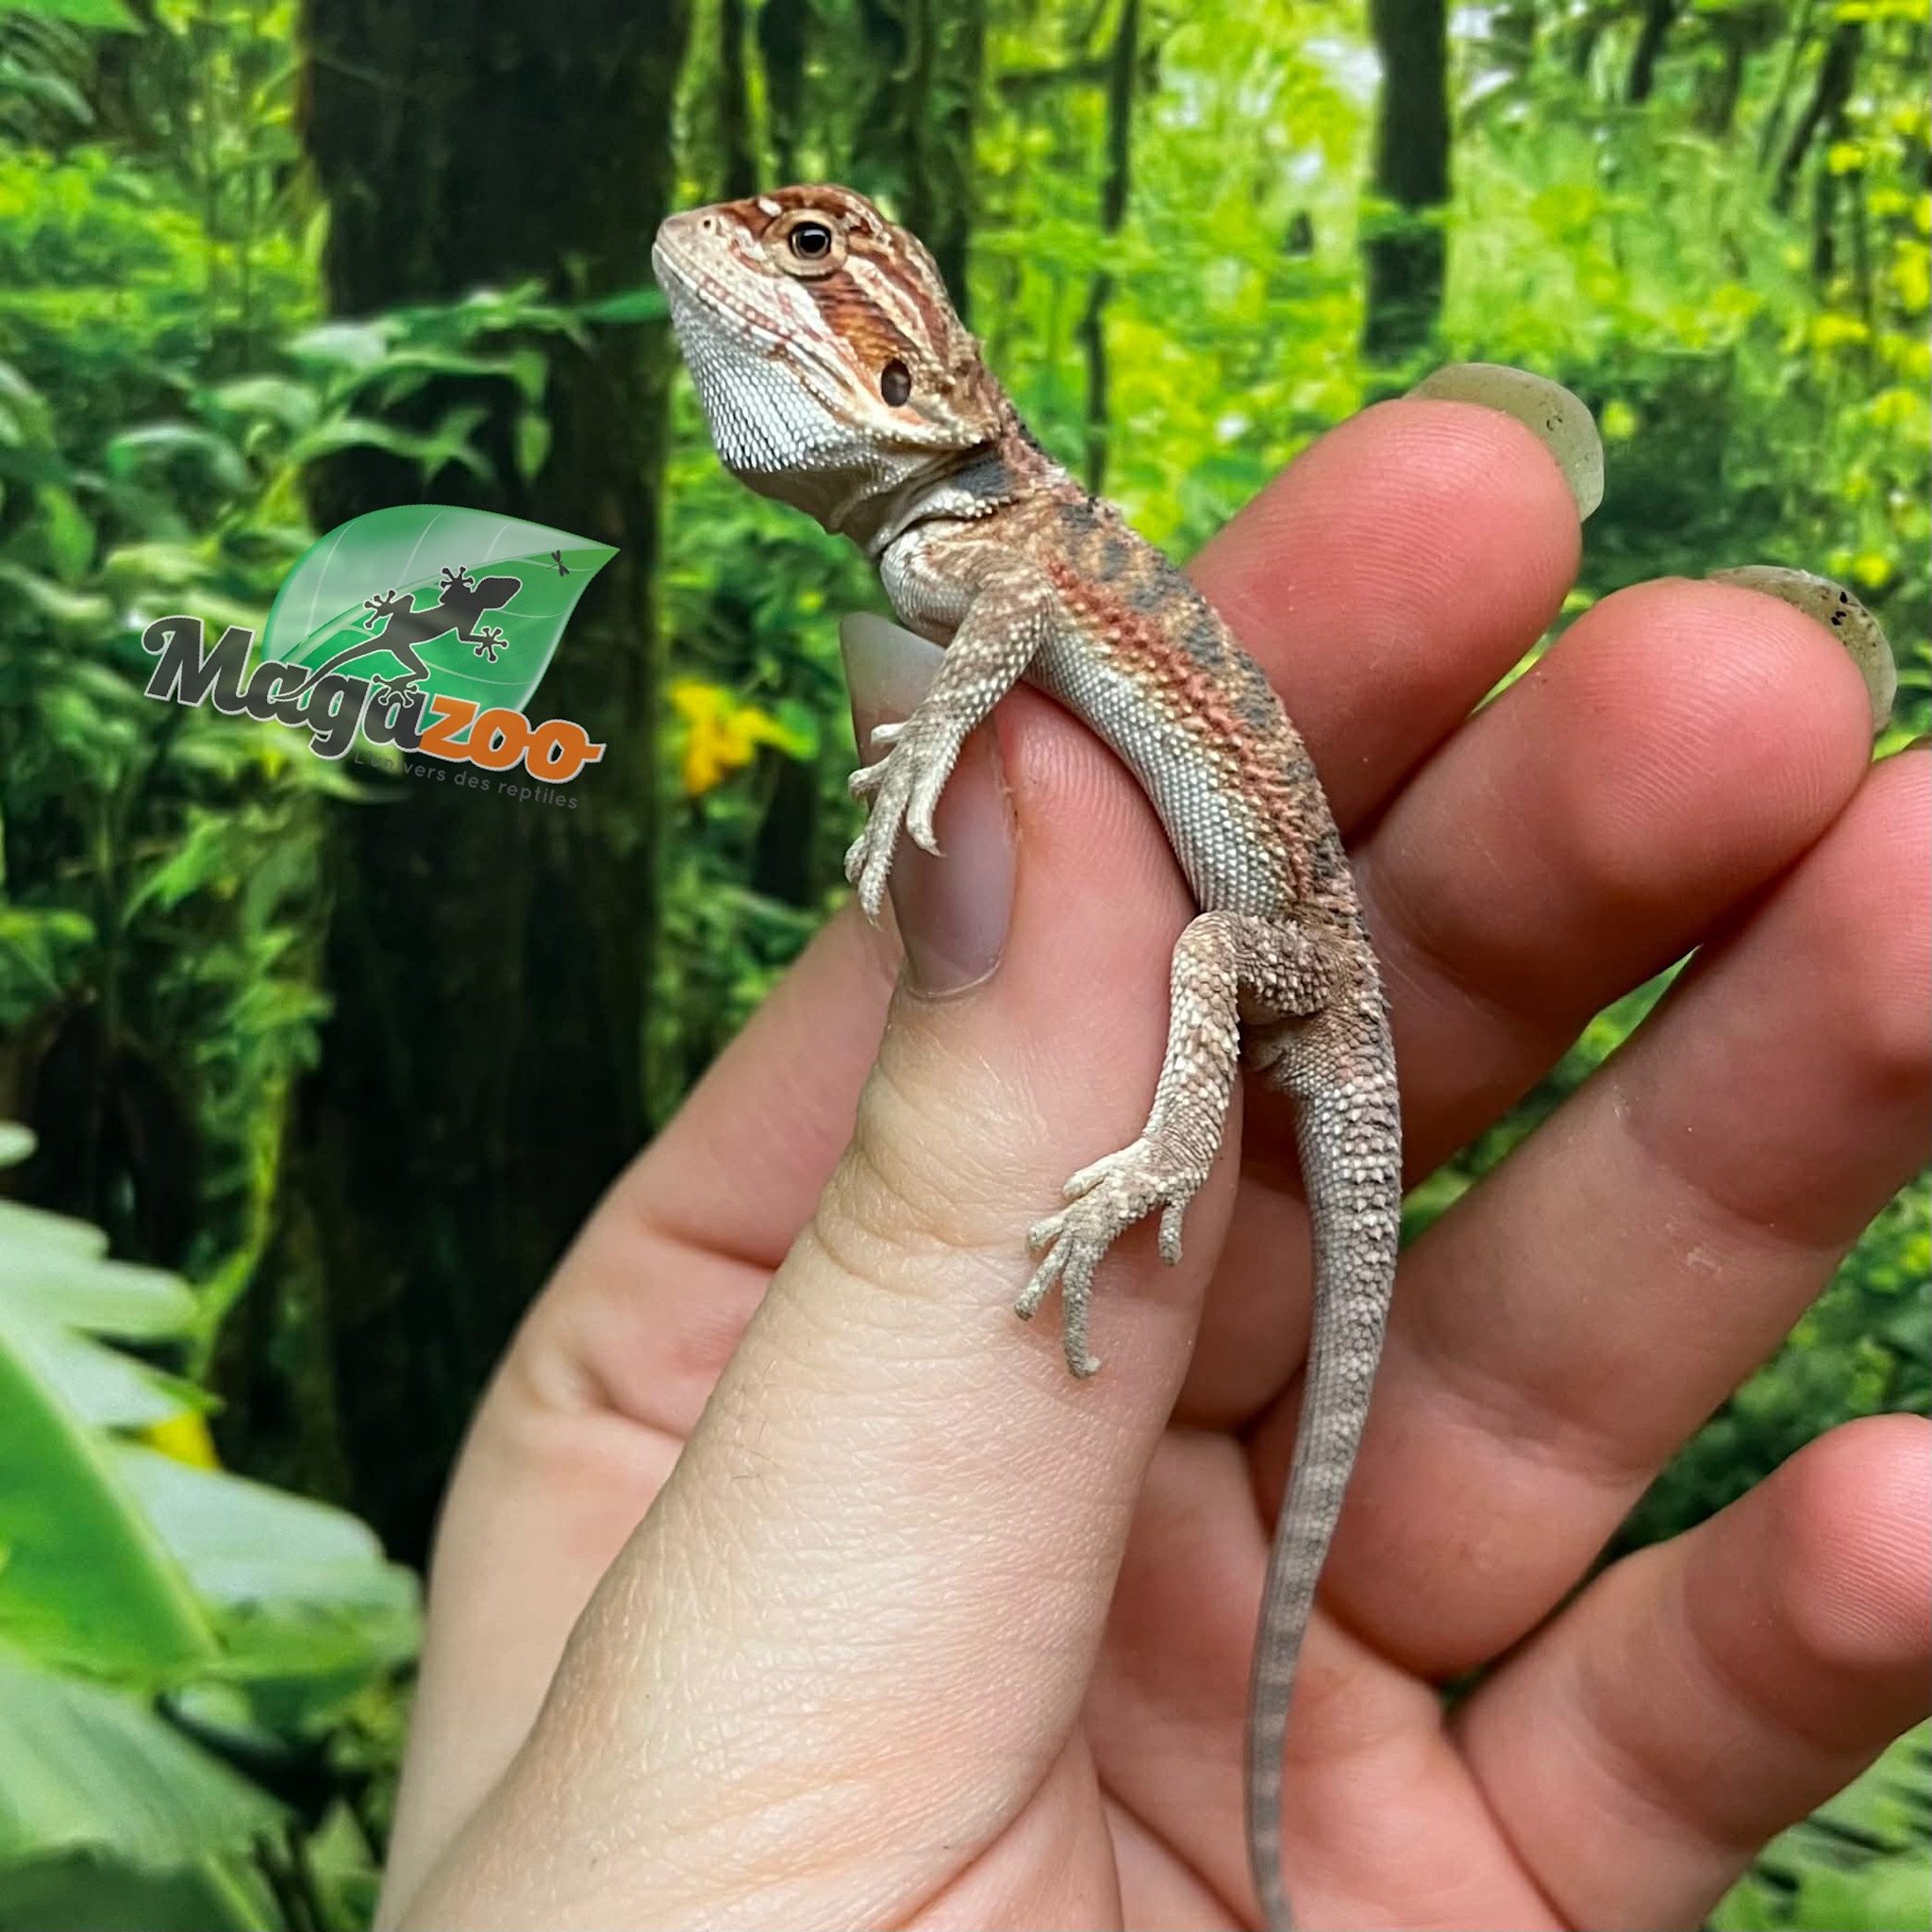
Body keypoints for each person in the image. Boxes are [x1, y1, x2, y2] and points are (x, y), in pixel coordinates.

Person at [373, 394, 1930, 1930]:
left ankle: (1162, 1160)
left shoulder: (999, 537)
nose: (772, 264)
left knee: (1196, 958)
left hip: (1302, 949)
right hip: (1293, 930)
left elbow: (1007, 626)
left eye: (817, 252)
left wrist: (937, 745)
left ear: (912, 373)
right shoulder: (972, 533)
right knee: (1181, 954)